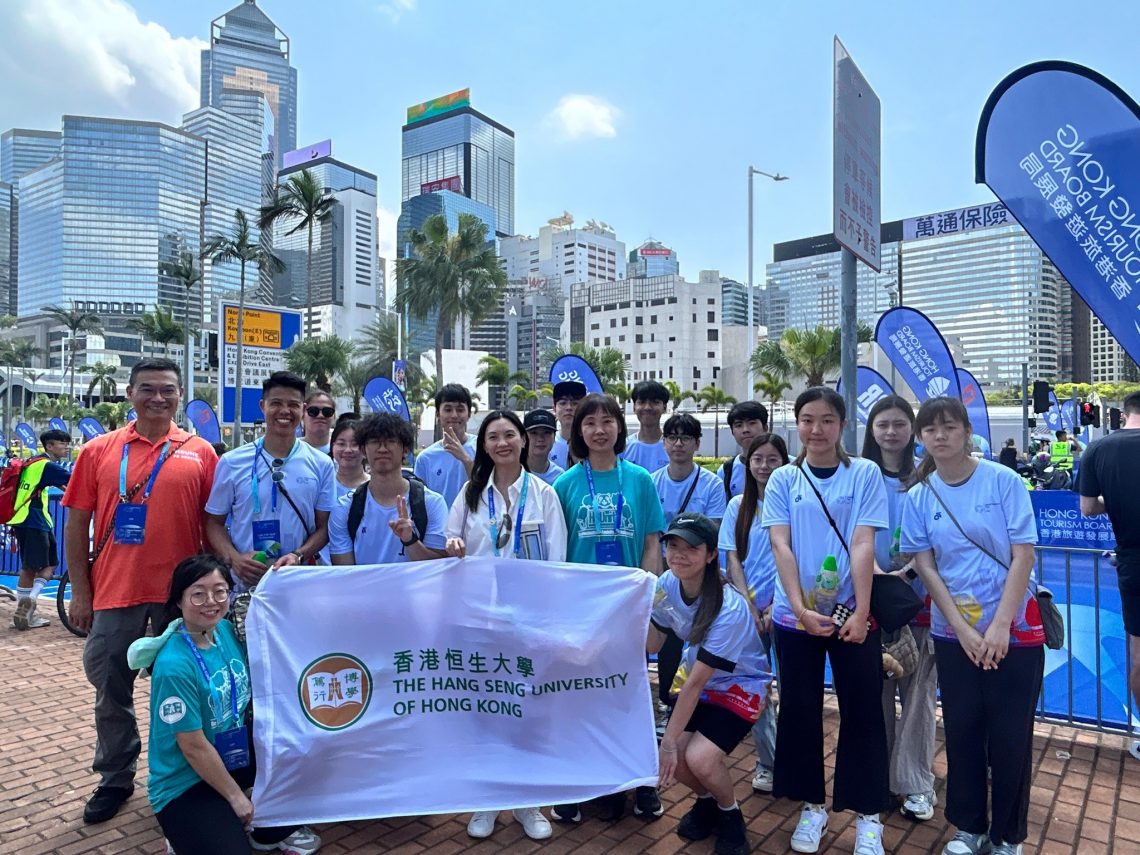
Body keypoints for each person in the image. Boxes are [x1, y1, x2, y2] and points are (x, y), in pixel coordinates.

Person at [63, 358, 219, 824]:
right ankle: (115, 777)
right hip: (115, 593)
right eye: (147, 388)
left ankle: (191, 774)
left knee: (192, 691)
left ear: (179, 394)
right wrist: (81, 593)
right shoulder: (98, 451)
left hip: (181, 601)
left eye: (167, 390)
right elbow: (77, 524)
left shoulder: (200, 451)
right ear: (129, 393)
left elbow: (211, 525)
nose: (158, 397)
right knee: (112, 691)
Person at [902, 397, 1043, 855]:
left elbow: (1024, 553)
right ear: (921, 439)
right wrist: (962, 630)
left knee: (1010, 737)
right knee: (962, 731)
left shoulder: (1003, 481)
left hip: (1015, 632)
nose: (939, 436)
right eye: (930, 430)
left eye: (948, 427)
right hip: (952, 634)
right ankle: (969, 828)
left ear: (966, 431)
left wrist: (1001, 627)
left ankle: (1008, 836)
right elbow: (925, 566)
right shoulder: (920, 496)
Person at [761, 386, 890, 855]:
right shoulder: (783, 480)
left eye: (827, 420)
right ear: (797, 424)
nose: (817, 430)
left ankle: (868, 814)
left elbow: (862, 543)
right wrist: (797, 608)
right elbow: (781, 545)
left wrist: (860, 611)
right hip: (796, 616)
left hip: (853, 615)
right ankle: (810, 805)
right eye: (808, 420)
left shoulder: (865, 474)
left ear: (842, 425)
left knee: (863, 710)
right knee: (799, 709)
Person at [133, 555, 320, 855]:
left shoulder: (226, 632)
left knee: (308, 751)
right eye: (198, 593)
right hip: (184, 781)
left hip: (231, 756)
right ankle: (186, 834)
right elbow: (192, 746)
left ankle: (266, 832)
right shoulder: (173, 665)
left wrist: (289, 570)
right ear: (179, 600)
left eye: (220, 591)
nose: (211, 601)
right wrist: (235, 797)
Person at [444, 410, 567, 841]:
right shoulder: (471, 492)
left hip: (528, 621)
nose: (502, 443)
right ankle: (488, 798)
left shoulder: (544, 495)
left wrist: (547, 623)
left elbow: (556, 563)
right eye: (493, 436)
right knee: (484, 708)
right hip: (478, 619)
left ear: (521, 441)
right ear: (484, 445)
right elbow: (451, 540)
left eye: (509, 435)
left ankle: (527, 801)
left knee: (527, 709)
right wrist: (454, 544)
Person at [552, 392, 666, 824]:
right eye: (589, 423)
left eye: (607, 421)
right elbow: (559, 552)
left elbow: (653, 542)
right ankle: (579, 785)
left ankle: (641, 785)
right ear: (579, 432)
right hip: (582, 612)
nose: (599, 430)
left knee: (630, 695)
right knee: (580, 696)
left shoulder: (639, 479)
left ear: (620, 428)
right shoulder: (565, 484)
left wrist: (644, 594)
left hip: (628, 608)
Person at [650, 512, 773, 855]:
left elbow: (694, 684)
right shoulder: (665, 585)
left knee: (697, 757)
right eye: (672, 545)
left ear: (711, 554)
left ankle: (730, 815)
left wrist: (669, 742)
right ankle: (707, 801)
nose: (678, 554)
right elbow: (651, 644)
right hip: (701, 684)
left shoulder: (730, 607)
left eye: (691, 547)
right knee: (682, 759)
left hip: (741, 685)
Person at [862, 396, 938, 823]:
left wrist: (906, 576)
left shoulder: (928, 479)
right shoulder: (860, 476)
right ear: (871, 430)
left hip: (919, 603)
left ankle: (914, 782)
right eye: (882, 424)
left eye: (898, 424)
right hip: (871, 603)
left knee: (919, 695)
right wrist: (877, 576)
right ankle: (880, 775)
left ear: (912, 430)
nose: (890, 432)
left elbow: (938, 541)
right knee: (877, 694)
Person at [205, 372, 335, 588]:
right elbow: (214, 523)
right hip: (246, 582)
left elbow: (325, 527)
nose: (285, 411)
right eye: (276, 403)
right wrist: (235, 559)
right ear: (263, 406)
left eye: (293, 405)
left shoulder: (321, 464)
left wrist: (298, 555)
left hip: (297, 580)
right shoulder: (232, 462)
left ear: (303, 409)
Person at [718, 432, 788, 795]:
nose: (763, 466)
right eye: (757, 459)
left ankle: (793, 763)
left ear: (784, 462)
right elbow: (732, 559)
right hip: (748, 612)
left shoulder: (792, 503)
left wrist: (778, 604)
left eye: (772, 459)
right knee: (756, 689)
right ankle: (769, 761)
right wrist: (748, 603)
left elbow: (798, 558)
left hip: (788, 610)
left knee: (792, 691)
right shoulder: (737, 507)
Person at [651, 412, 727, 729]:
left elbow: (715, 529)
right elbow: (651, 534)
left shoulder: (710, 484)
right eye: (672, 437)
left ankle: (702, 705)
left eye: (685, 438)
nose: (678, 444)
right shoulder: (653, 480)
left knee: (702, 641)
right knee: (668, 641)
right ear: (664, 442)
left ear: (697, 443)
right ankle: (670, 704)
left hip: (700, 578)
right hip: (667, 577)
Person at [1080, 390, 1140, 763]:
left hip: (1133, 562)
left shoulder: (1098, 450)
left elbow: (1088, 508)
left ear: (1124, 415)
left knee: (1138, 655)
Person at [328, 412, 447, 564]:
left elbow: (439, 568)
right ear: (363, 450)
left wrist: (410, 540)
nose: (382, 449)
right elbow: (344, 574)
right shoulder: (345, 508)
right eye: (375, 441)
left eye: (391, 441)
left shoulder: (432, 503)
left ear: (405, 449)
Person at [7, 428, 71, 629]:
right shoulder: (47, 466)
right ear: (50, 446)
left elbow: (63, 486)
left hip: (23, 519)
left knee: (45, 564)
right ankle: (29, 604)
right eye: (62, 444)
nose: (66, 447)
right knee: (35, 566)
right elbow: (77, 481)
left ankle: (26, 605)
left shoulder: (33, 463)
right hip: (34, 520)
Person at [414, 383, 477, 507]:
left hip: (476, 524)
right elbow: (419, 501)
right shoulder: (425, 458)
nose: (454, 415)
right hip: (440, 526)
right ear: (438, 414)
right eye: (448, 409)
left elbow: (489, 489)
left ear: (469, 414)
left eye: (460, 409)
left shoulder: (483, 447)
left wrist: (465, 459)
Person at [716, 401, 769, 500]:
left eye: (752, 423)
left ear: (765, 427)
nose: (745, 430)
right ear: (732, 432)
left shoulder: (790, 464)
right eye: (739, 425)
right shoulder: (727, 470)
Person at [623, 380, 671, 472]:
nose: (647, 407)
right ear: (634, 407)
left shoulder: (673, 446)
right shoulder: (624, 447)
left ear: (664, 407)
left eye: (655, 402)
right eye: (642, 402)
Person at [549, 379, 586, 469]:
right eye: (563, 403)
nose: (569, 408)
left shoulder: (591, 442)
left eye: (575, 403)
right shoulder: (548, 444)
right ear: (554, 408)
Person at [330, 419, 369, 502]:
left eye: (355, 444)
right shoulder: (325, 484)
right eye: (341, 444)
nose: (348, 450)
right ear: (333, 447)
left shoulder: (374, 486)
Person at [523, 409, 564, 486]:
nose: (540, 439)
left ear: (554, 436)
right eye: (534, 433)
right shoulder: (515, 472)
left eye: (547, 432)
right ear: (523, 438)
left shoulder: (560, 476)